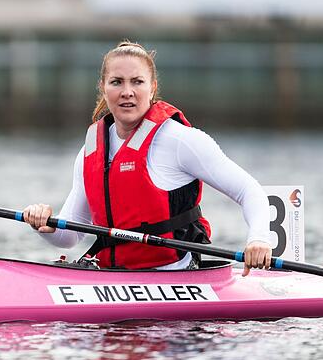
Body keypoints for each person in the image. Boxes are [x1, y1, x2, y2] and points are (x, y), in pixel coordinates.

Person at [23, 40, 271, 275]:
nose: (127, 92)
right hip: (114, 276)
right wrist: (46, 225)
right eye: (117, 82)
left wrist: (259, 239)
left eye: (137, 82)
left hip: (175, 273)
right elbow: (69, 237)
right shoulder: (90, 151)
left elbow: (249, 191)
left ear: (152, 87)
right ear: (103, 87)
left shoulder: (180, 140)